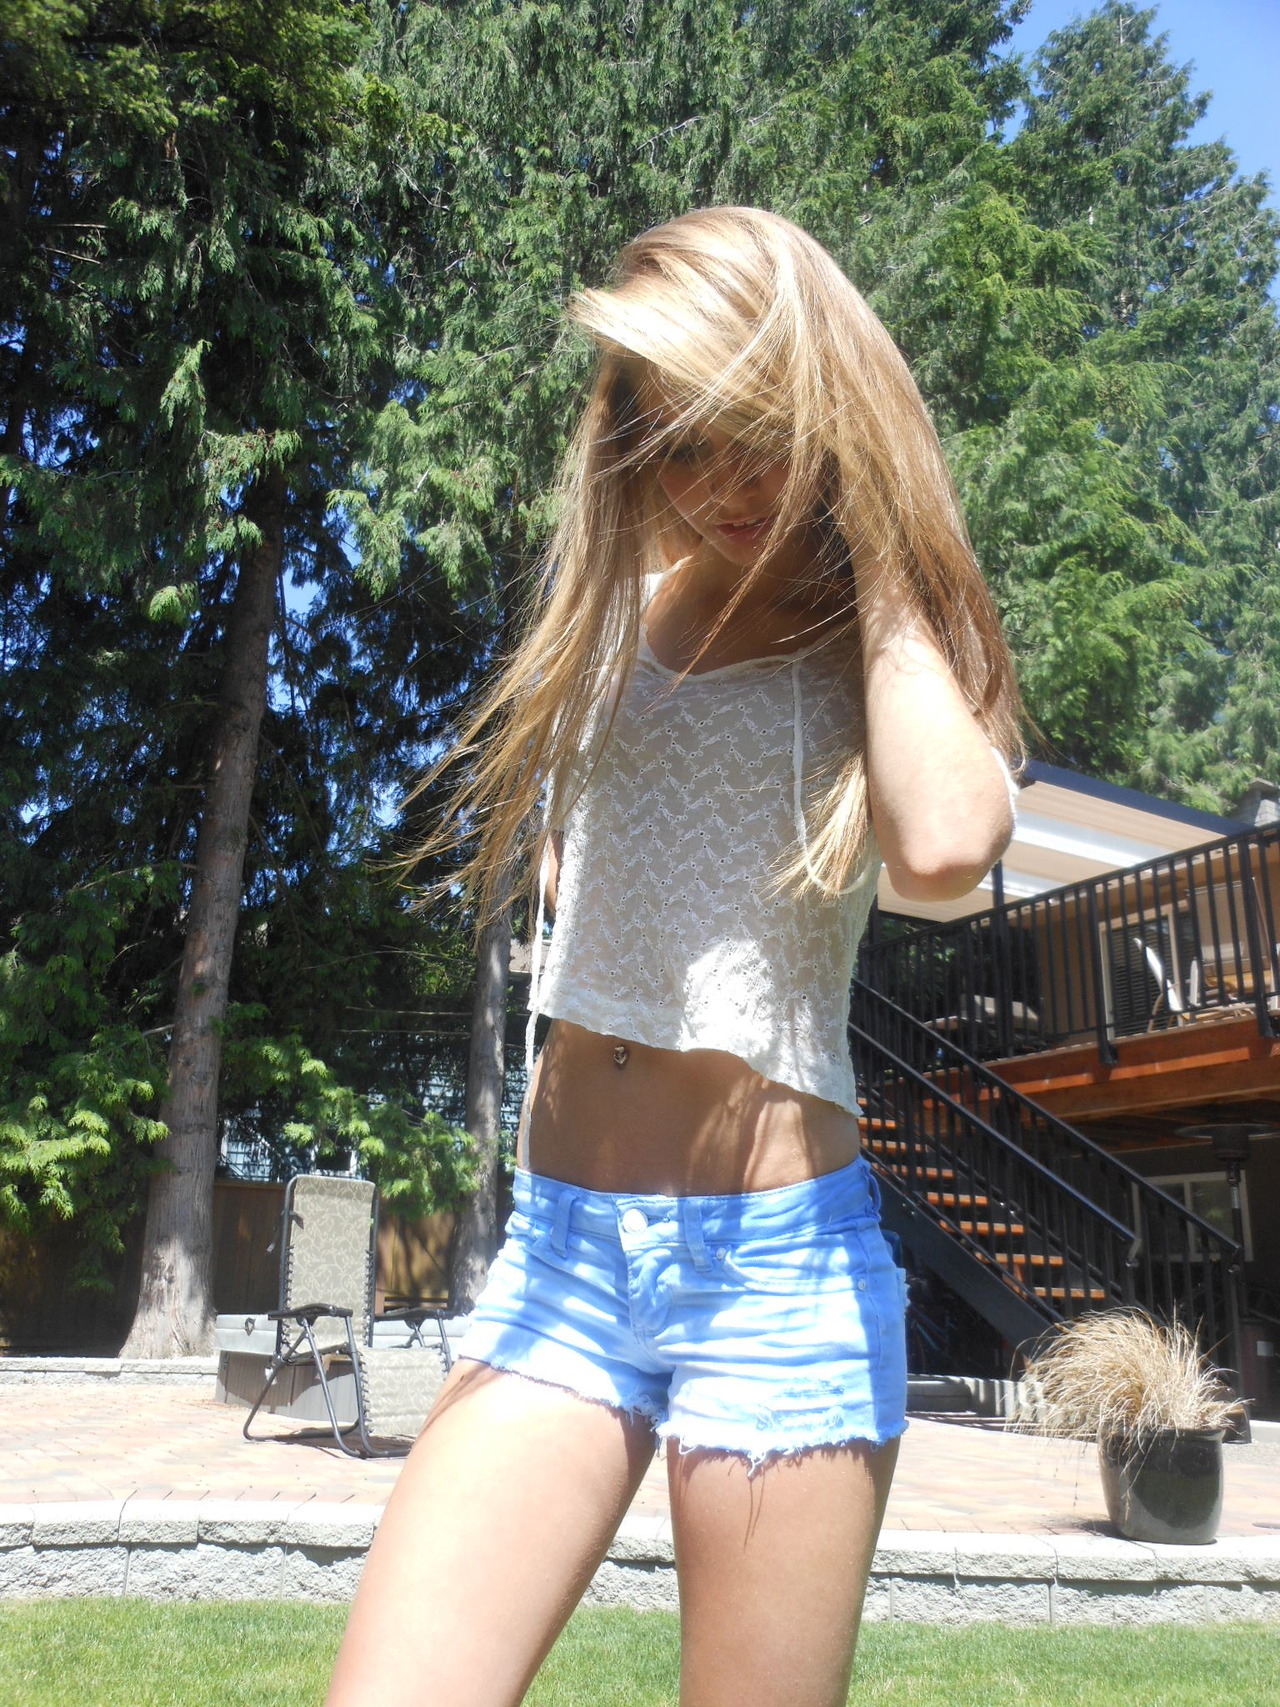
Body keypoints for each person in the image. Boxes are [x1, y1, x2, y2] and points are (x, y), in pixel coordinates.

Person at [326, 206, 1020, 1707]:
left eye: (763, 434)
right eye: (684, 442)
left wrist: (882, 540)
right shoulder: (614, 618)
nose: (726, 483)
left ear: (832, 415)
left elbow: (948, 848)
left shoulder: (877, 650)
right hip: (564, 1258)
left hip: (777, 1277)